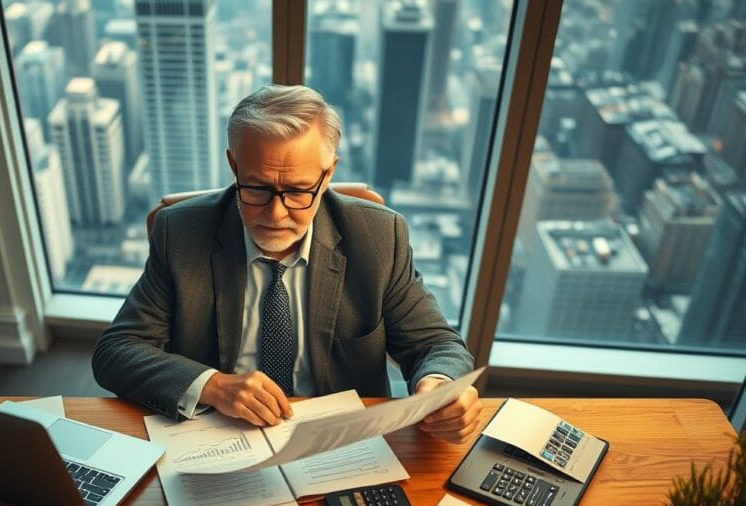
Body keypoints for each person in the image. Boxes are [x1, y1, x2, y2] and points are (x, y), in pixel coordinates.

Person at [93, 85, 482, 443]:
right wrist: (212, 385)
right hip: (218, 436)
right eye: (258, 188)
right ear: (234, 165)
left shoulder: (379, 237)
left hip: (340, 443)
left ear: (327, 174)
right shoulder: (179, 232)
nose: (276, 214)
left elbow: (436, 343)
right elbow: (117, 351)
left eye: (297, 191)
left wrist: (439, 384)